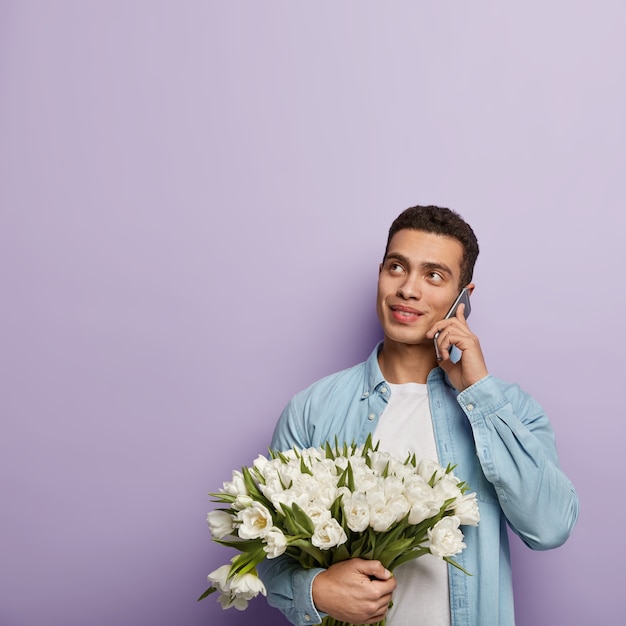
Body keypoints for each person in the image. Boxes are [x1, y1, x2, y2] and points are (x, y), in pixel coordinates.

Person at [258, 205, 579, 626]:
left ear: (463, 297)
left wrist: (478, 392)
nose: (408, 289)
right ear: (380, 273)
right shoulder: (312, 410)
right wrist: (316, 590)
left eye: (433, 275)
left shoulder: (510, 410)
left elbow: (550, 526)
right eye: (397, 267)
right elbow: (266, 551)